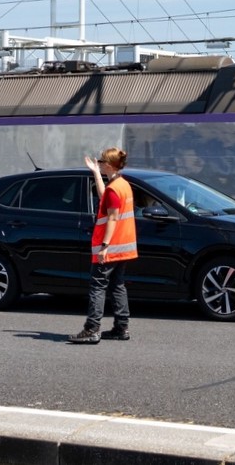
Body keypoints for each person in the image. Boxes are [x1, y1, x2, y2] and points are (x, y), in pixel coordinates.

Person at [69, 147, 136, 344]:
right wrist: (96, 173)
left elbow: (112, 219)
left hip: (110, 246)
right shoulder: (122, 184)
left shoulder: (115, 189)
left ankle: (92, 329)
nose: (99, 163)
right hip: (122, 246)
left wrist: (104, 246)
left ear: (108, 165)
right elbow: (103, 195)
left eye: (101, 162)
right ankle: (121, 328)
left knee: (97, 287)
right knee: (117, 285)